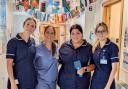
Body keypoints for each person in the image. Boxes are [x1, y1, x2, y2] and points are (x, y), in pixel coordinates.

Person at [58, 24, 95, 89]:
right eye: (73, 33)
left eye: (78, 33)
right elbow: (59, 61)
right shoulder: (64, 46)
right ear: (70, 35)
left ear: (82, 34)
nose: (75, 36)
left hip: (82, 83)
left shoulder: (88, 47)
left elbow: (93, 65)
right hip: (66, 82)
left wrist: (84, 69)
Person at [6, 17, 37, 89]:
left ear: (34, 29)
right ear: (23, 25)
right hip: (17, 80)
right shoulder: (13, 42)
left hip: (30, 80)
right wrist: (12, 82)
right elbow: (9, 64)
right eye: (28, 24)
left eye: (32, 26)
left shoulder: (33, 42)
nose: (29, 27)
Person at [90, 22, 119, 89]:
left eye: (103, 31)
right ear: (96, 33)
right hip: (95, 81)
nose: (101, 33)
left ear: (107, 32)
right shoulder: (95, 47)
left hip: (107, 81)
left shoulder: (112, 47)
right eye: (98, 31)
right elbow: (93, 65)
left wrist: (108, 86)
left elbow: (114, 69)